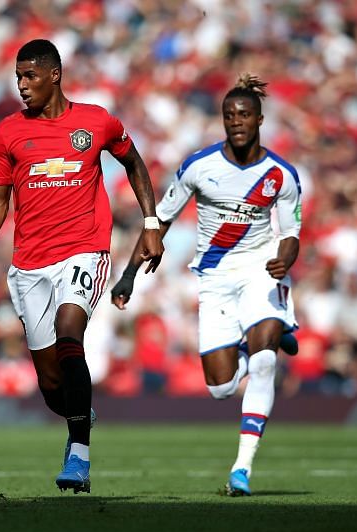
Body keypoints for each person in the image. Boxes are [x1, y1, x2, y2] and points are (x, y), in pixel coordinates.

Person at [0, 39, 164, 494]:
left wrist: (150, 222)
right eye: (17, 77)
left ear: (54, 75)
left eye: (29, 76)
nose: (22, 85)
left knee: (70, 328)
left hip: (85, 249)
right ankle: (78, 410)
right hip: (29, 263)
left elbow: (133, 163)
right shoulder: (9, 132)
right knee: (53, 385)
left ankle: (79, 453)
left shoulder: (96, 122)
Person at [110, 74, 301, 497]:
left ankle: (242, 468)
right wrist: (127, 275)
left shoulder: (281, 175)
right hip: (214, 279)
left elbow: (290, 233)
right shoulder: (199, 167)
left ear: (260, 119)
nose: (236, 122)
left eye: (244, 115)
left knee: (266, 362)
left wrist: (287, 256)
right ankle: (267, 335)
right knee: (219, 389)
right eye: (229, 115)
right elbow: (156, 222)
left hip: (259, 271)